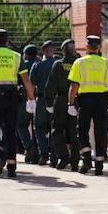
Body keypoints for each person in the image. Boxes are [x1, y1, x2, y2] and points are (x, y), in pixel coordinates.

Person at [0, 29, 37, 178]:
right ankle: (11, 166)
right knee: (10, 130)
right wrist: (31, 98)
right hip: (12, 97)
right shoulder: (16, 56)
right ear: (7, 40)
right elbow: (26, 79)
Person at [68, 35, 108, 176]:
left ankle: (86, 160)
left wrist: (70, 103)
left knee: (82, 129)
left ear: (86, 46)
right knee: (100, 132)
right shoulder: (106, 63)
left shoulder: (79, 62)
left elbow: (74, 86)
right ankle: (99, 165)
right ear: (99, 47)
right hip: (102, 100)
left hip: (85, 100)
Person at [43, 40, 80, 170]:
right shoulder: (79, 63)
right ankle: (75, 162)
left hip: (61, 100)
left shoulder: (58, 64)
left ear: (63, 51)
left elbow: (51, 84)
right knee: (74, 132)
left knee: (57, 130)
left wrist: (48, 101)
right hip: (76, 100)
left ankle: (63, 157)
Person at [28, 41, 56, 164]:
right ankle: (55, 155)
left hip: (41, 99)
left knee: (39, 127)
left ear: (43, 51)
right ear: (53, 50)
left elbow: (32, 86)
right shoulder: (57, 64)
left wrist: (31, 101)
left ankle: (43, 154)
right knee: (54, 127)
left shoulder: (37, 65)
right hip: (56, 99)